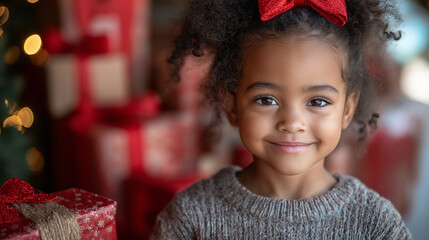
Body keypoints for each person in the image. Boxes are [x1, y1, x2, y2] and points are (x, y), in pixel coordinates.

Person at [151, 0, 412, 239]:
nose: (292, 122)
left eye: (317, 101)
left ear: (347, 110)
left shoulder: (376, 225)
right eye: (266, 100)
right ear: (231, 104)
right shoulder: (190, 218)